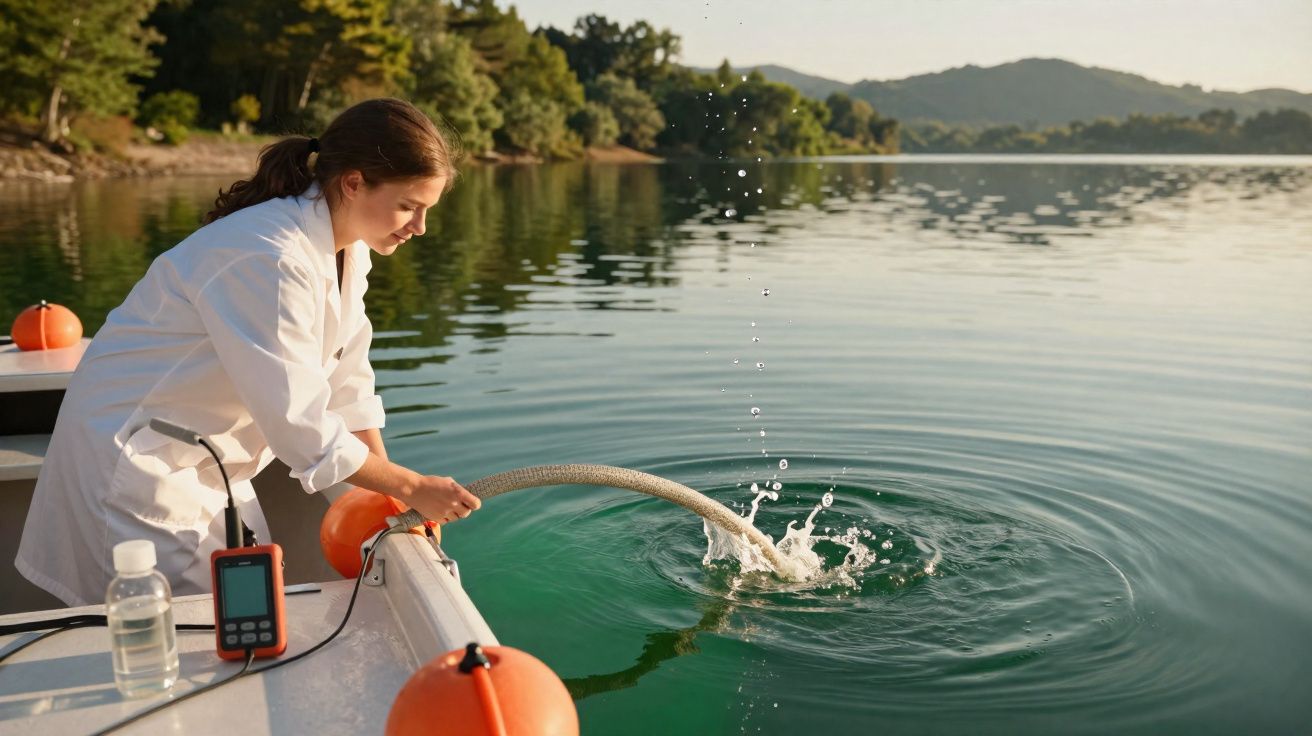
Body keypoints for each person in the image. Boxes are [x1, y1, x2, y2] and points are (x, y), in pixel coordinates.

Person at [15, 98, 481, 607]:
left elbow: (348, 382)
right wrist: (412, 486)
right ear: (353, 183)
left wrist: (389, 496)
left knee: (244, 618)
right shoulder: (270, 256)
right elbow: (301, 427)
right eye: (409, 206)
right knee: (191, 639)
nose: (420, 227)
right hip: (138, 466)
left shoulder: (349, 248)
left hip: (203, 464)